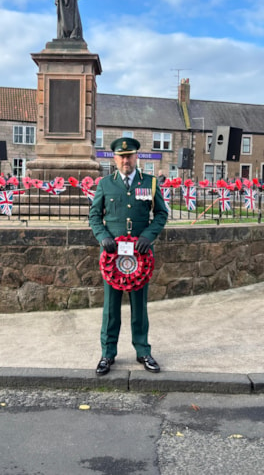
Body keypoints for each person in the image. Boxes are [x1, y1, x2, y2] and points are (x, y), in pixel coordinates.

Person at [89, 137, 168, 376]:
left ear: (137, 157)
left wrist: (148, 236)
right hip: (113, 257)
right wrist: (102, 236)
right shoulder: (105, 184)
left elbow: (162, 213)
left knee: (139, 306)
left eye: (130, 155)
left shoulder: (150, 183)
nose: (126, 160)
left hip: (141, 257)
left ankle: (143, 350)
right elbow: (94, 215)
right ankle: (107, 353)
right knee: (110, 308)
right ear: (114, 158)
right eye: (121, 156)